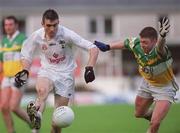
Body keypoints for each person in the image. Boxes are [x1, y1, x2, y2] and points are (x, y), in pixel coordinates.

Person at [14, 9, 99, 133]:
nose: (52, 29)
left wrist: (90, 67)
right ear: (42, 24)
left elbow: (93, 48)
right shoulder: (37, 36)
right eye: (49, 25)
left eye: (55, 25)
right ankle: (36, 119)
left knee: (57, 120)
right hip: (47, 70)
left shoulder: (67, 34)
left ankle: (38, 118)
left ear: (58, 22)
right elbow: (26, 55)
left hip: (66, 75)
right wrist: (25, 71)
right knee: (42, 91)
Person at [94, 17, 179, 133]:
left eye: (146, 42)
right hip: (147, 82)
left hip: (164, 87)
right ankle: (156, 116)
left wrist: (162, 37)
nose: (142, 44)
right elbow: (125, 43)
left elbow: (160, 46)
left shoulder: (160, 51)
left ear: (154, 41)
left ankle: (156, 120)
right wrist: (108, 47)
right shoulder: (137, 43)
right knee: (139, 113)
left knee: (155, 124)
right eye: (142, 41)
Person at [0, 16, 35, 133]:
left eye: (10, 24)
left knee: (13, 107)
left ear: (16, 25)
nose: (7, 27)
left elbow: (28, 58)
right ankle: (11, 131)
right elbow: (2, 60)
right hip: (6, 77)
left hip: (19, 77)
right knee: (4, 107)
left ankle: (34, 123)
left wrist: (23, 74)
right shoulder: (3, 41)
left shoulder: (23, 39)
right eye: (6, 25)